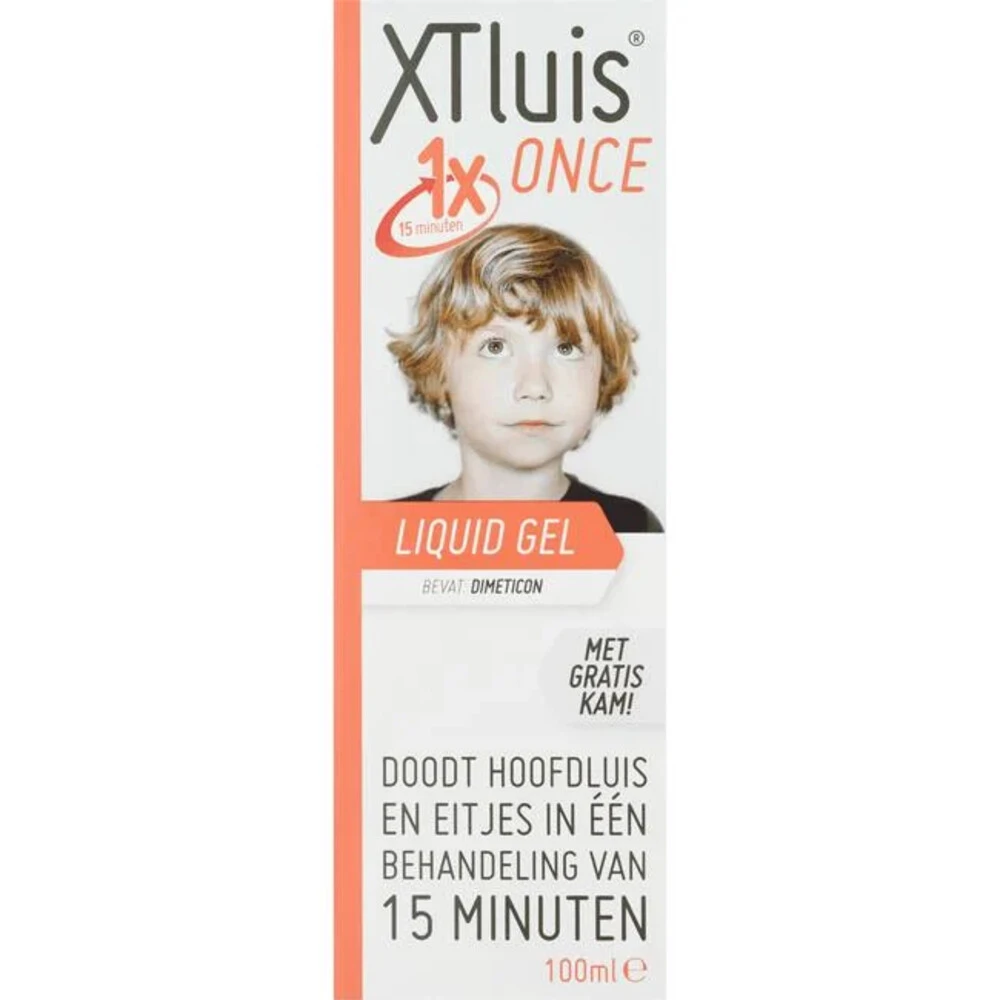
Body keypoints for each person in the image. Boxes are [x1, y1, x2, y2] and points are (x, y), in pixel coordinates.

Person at [389, 223, 662, 533]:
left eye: (566, 348)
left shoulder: (629, 530)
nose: (535, 387)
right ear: (437, 365)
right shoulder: (386, 533)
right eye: (495, 347)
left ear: (604, 368)